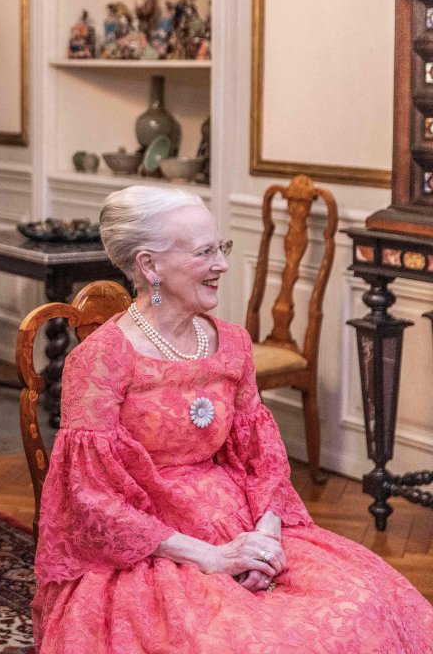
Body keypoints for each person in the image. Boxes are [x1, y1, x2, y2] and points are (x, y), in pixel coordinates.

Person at [31, 184, 433, 653]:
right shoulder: (101, 360)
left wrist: (266, 540)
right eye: (204, 252)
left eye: (221, 248)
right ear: (150, 265)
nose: (221, 264)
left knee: (364, 604)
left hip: (244, 522)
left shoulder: (233, 343)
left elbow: (262, 458)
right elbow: (90, 499)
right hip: (152, 546)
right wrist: (213, 557)